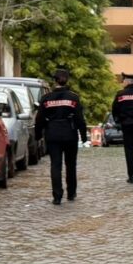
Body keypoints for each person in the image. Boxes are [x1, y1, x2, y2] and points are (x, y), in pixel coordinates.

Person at [34, 67, 88, 205]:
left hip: (52, 134)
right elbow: (79, 118)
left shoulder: (46, 98)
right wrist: (83, 135)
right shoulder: (73, 98)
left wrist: (38, 135)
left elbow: (39, 119)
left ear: (55, 81)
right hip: (70, 134)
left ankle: (57, 196)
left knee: (55, 165)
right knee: (71, 165)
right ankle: (71, 192)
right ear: (67, 80)